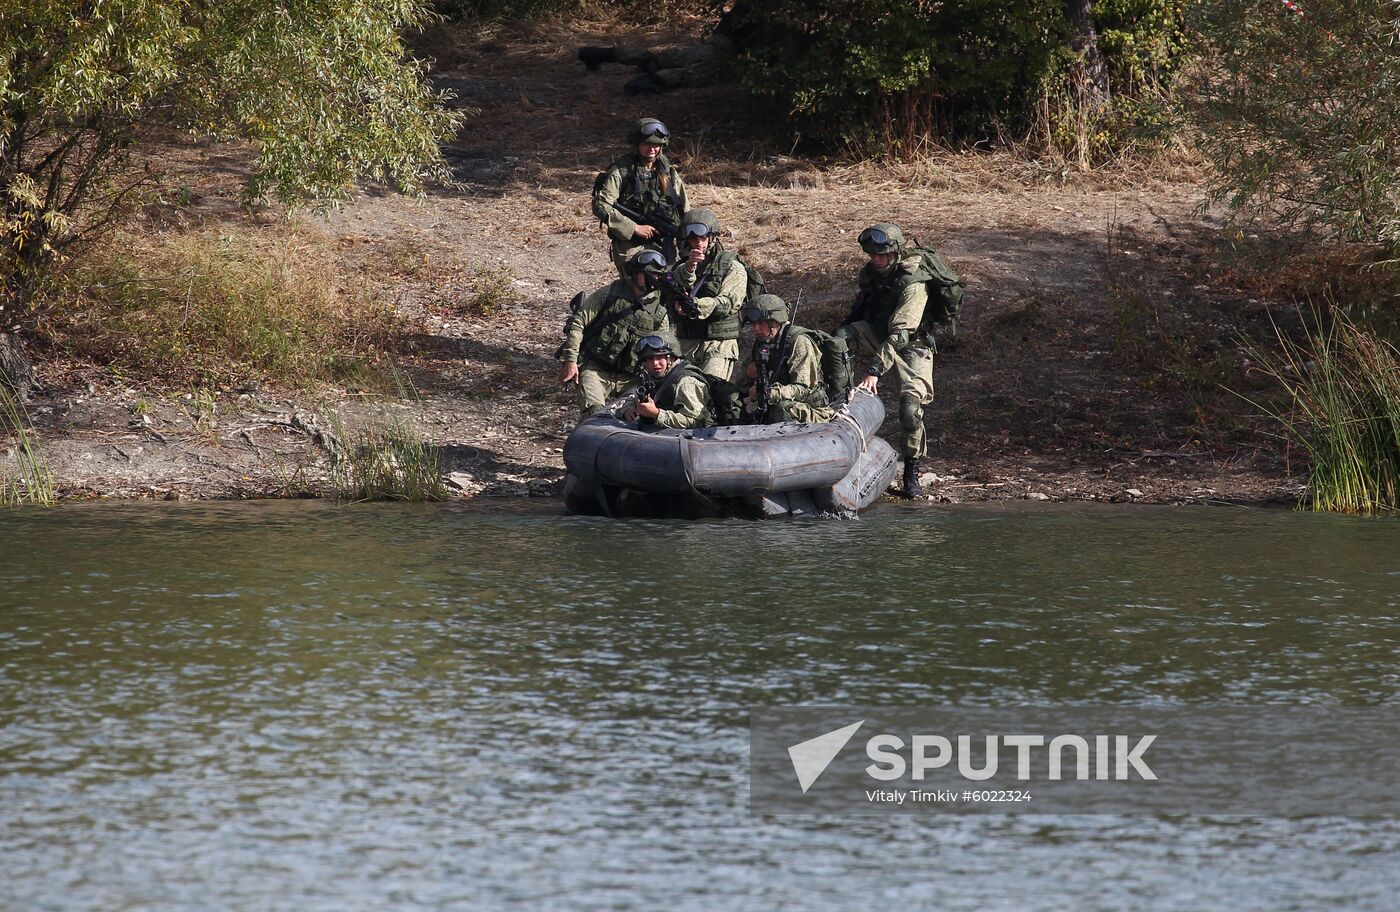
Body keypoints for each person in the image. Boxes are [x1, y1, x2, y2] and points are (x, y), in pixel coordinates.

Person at [837, 222, 936, 498]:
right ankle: (837, 396)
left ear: (894, 253)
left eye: (881, 255)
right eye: (872, 255)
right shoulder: (872, 273)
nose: (876, 260)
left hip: (912, 346)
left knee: (910, 409)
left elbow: (901, 335)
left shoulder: (914, 282)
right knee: (841, 338)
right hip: (880, 335)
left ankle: (912, 473)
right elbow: (861, 309)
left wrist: (873, 371)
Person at [557, 247, 673, 418]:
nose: (652, 279)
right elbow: (578, 322)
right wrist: (571, 361)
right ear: (635, 274)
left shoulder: (659, 312)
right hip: (596, 369)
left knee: (635, 418)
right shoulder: (610, 294)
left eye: (656, 276)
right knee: (594, 414)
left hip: (632, 378)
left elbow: (662, 350)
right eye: (647, 274)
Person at [577, 2, 756, 95]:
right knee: (694, 75)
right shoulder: (772, 10)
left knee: (659, 58)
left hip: (711, 43)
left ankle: (598, 54)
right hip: (723, 51)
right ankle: (648, 81)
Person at [658, 208, 746, 383]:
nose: (698, 243)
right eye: (693, 239)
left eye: (703, 238)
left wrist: (696, 305)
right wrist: (689, 269)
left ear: (712, 238)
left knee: (710, 392)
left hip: (718, 345)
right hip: (687, 344)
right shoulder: (681, 268)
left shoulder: (732, 267)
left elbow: (727, 303)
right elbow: (670, 292)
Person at [592, 118, 687, 275]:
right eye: (647, 144)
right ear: (637, 145)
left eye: (656, 145)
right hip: (631, 245)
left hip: (664, 244)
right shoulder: (622, 171)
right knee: (634, 290)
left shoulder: (667, 171)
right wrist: (634, 228)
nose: (652, 149)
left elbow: (684, 208)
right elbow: (601, 204)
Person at [741, 293, 833, 425]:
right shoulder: (762, 342)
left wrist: (769, 393)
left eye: (761, 323)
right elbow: (742, 383)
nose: (756, 329)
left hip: (812, 410)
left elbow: (803, 388)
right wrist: (749, 376)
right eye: (754, 324)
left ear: (775, 322)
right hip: (775, 404)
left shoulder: (799, 341)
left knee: (782, 409)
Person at [623, 333, 716, 429]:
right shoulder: (651, 376)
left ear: (671, 358)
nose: (655, 363)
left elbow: (697, 421)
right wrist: (628, 409)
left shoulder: (686, 382)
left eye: (659, 358)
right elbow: (634, 397)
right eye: (650, 358)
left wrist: (656, 414)